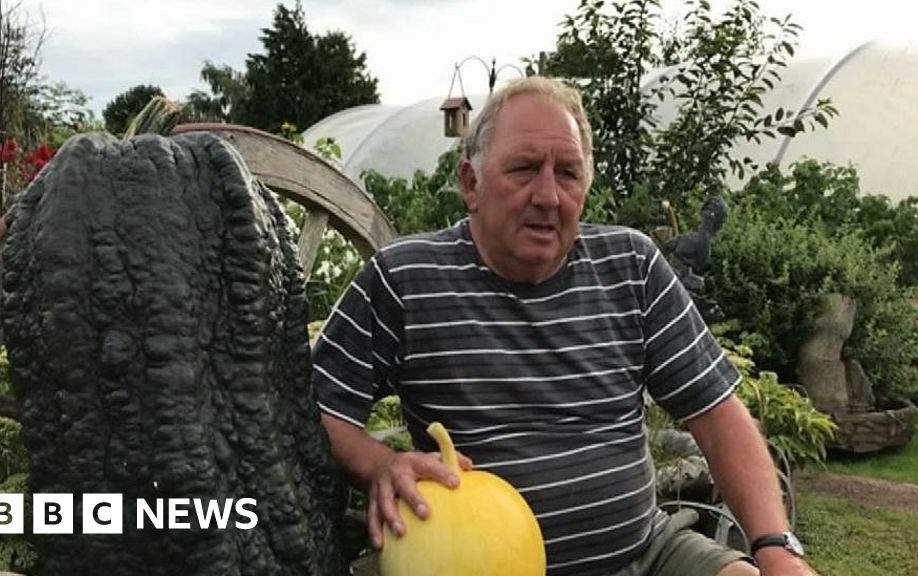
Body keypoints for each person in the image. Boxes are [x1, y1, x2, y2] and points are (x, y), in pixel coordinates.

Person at [312, 76, 818, 576]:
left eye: (568, 173)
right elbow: (317, 410)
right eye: (524, 168)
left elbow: (718, 416)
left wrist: (777, 548)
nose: (548, 196)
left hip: (646, 555)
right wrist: (380, 465)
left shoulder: (632, 267)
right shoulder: (405, 280)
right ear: (471, 183)